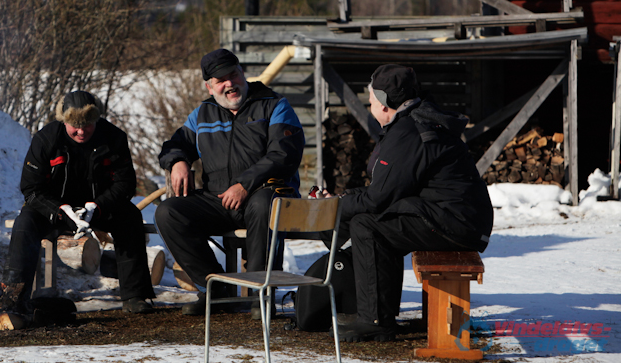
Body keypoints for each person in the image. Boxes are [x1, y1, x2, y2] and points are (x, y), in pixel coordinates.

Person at [333, 64, 493, 342]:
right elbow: (391, 189)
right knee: (375, 224)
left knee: (365, 226)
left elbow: (378, 198)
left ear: (384, 104)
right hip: (458, 218)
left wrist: (334, 208)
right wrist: (346, 199)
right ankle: (381, 315)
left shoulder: (408, 131)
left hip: (455, 222)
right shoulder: (418, 120)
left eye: (371, 101)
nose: (370, 106)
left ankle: (376, 321)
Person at [155, 49, 305, 318]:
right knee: (169, 212)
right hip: (219, 199)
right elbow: (174, 144)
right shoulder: (203, 113)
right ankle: (215, 289)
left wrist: (245, 184)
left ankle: (262, 295)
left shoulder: (274, 104)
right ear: (209, 86)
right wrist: (177, 161)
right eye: (220, 80)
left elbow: (284, 154)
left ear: (242, 73)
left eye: (233, 74)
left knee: (263, 205)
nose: (229, 83)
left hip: (264, 194)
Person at [0, 90, 155, 316]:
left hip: (99, 208)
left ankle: (135, 296)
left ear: (96, 120)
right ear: (64, 121)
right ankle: (13, 298)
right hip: (56, 208)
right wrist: (60, 210)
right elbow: (31, 188)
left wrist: (96, 207)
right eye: (75, 126)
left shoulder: (115, 138)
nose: (81, 131)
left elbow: (125, 184)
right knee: (25, 222)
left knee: (130, 217)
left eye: (88, 125)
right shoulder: (46, 139)